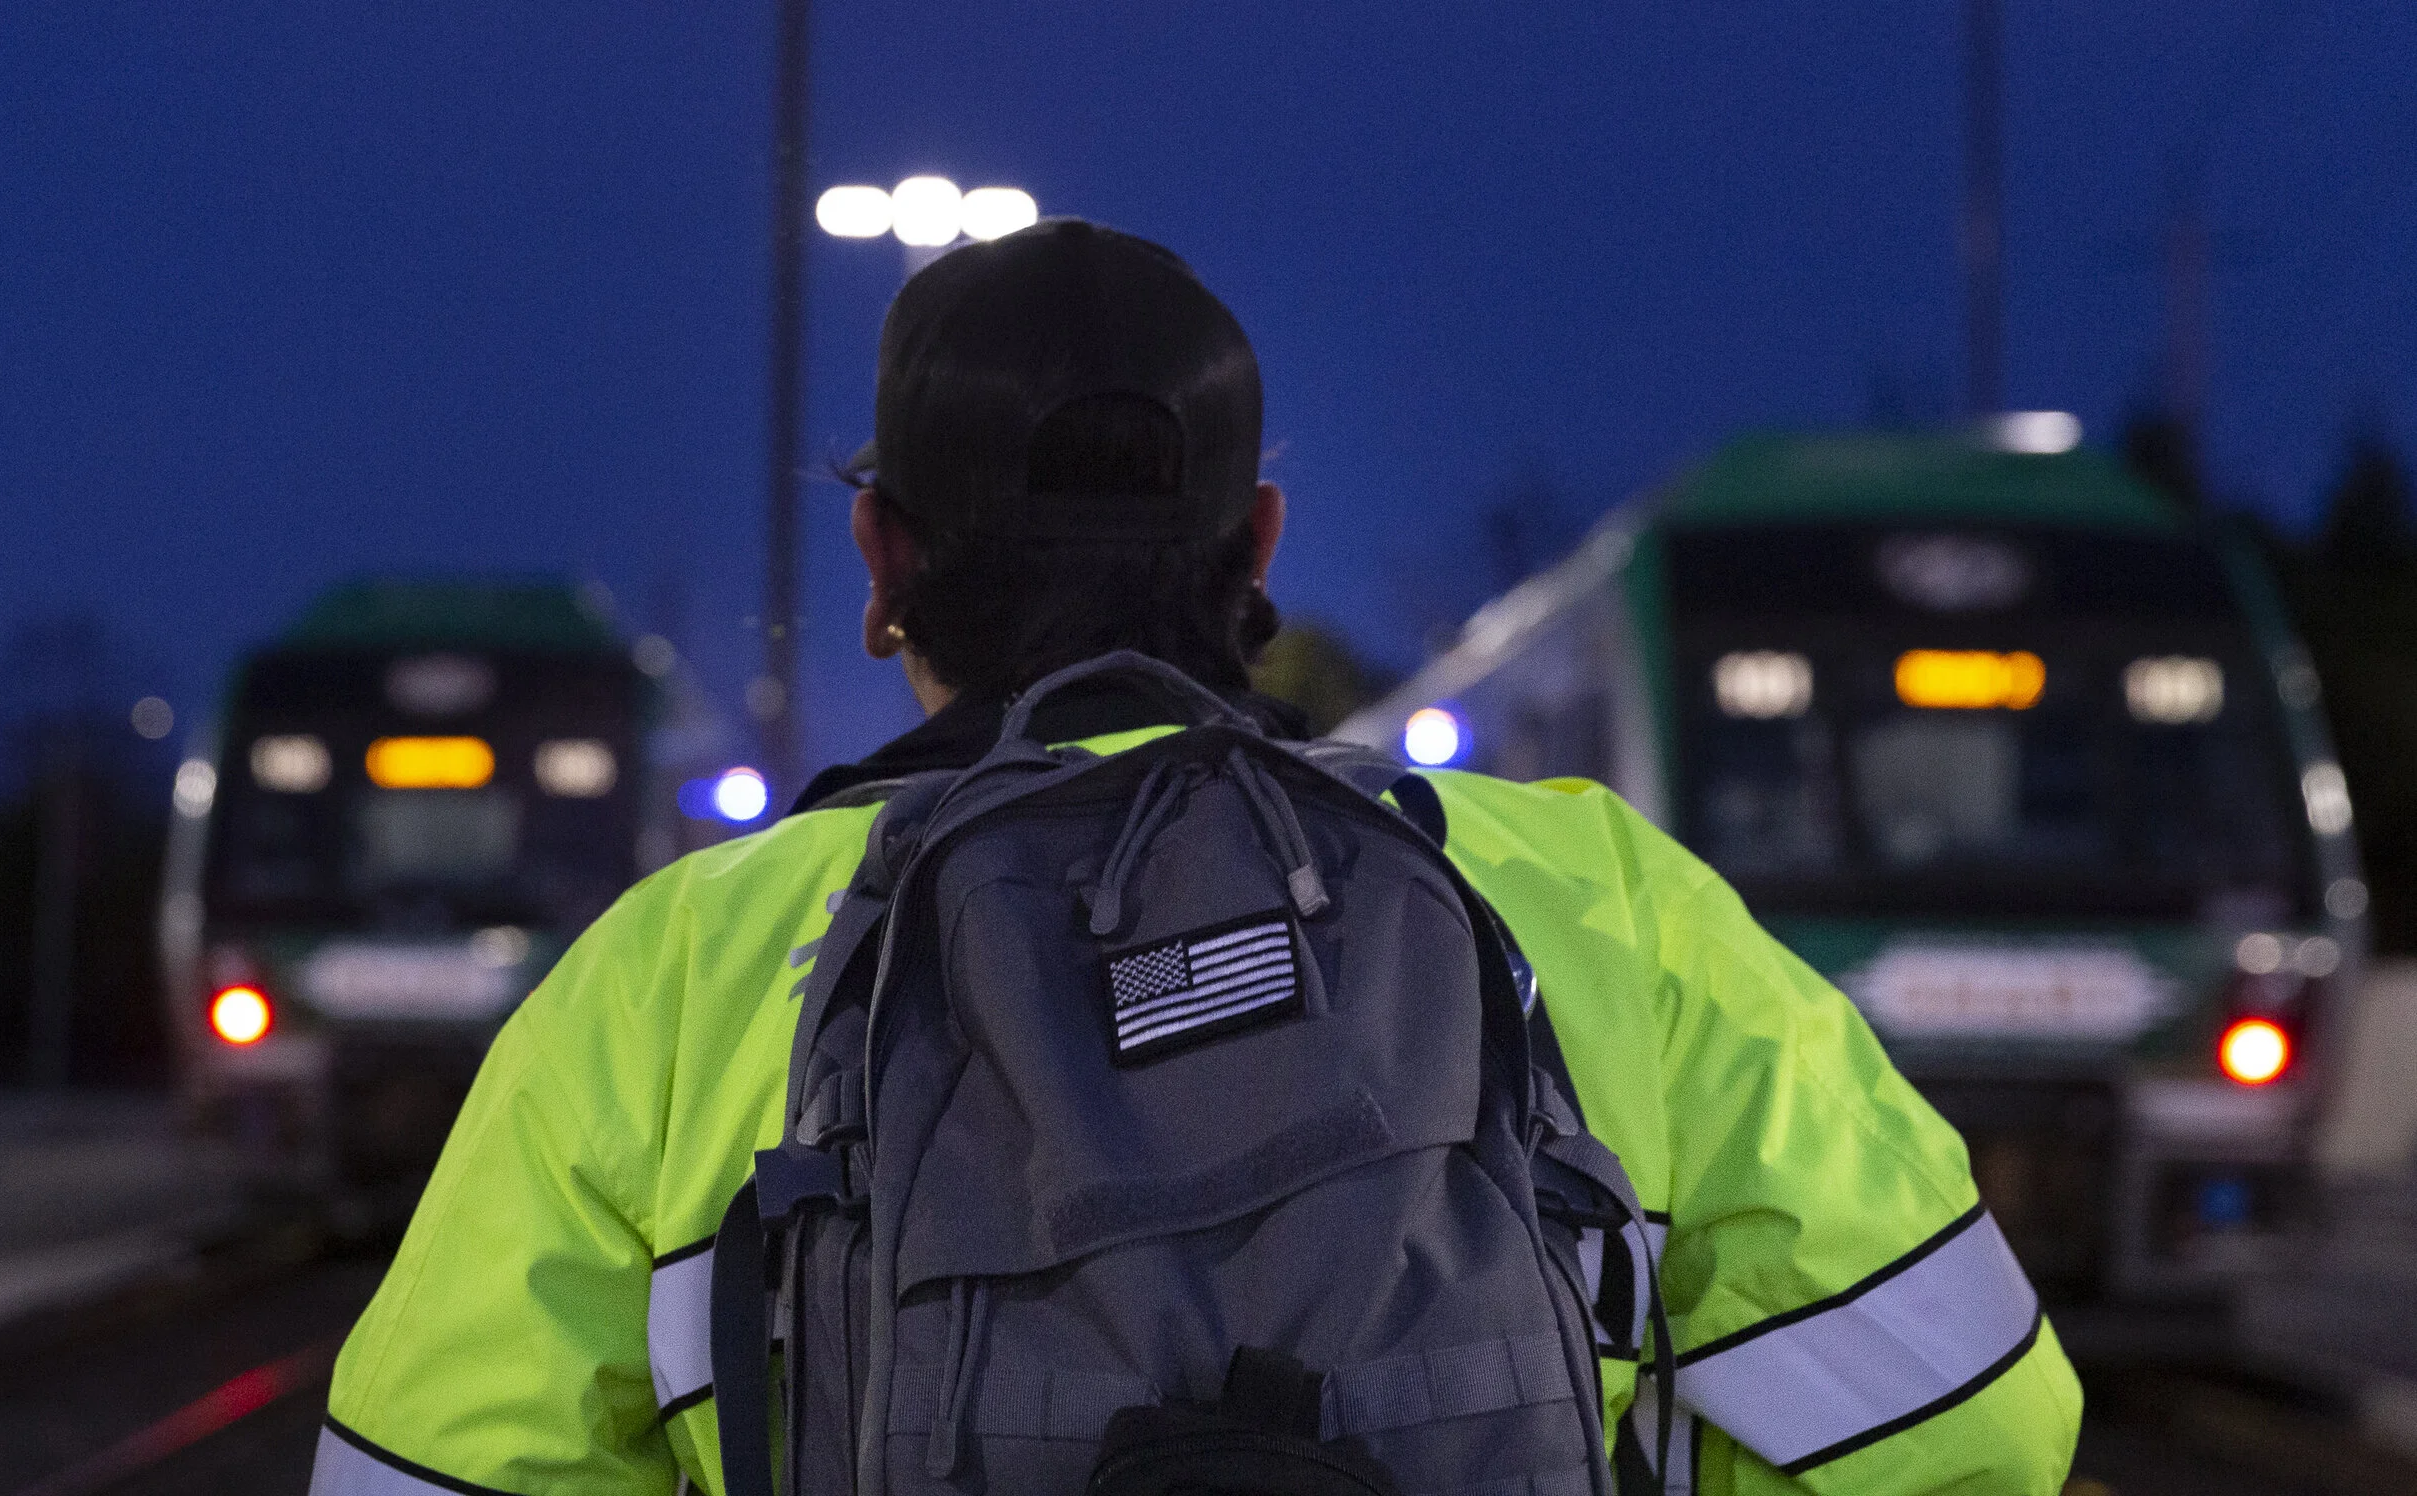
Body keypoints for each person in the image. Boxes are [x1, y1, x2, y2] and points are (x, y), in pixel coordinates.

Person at [311, 219, 2081, 1496]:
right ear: (1256, 543)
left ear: (880, 556)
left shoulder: (671, 976)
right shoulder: (1595, 900)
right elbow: (1971, 1429)